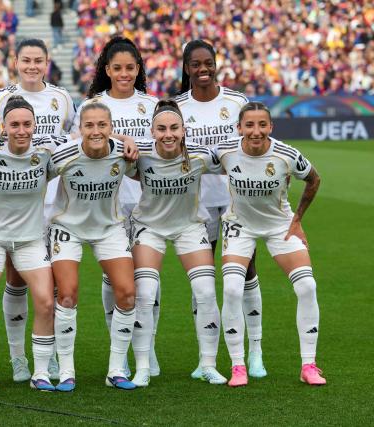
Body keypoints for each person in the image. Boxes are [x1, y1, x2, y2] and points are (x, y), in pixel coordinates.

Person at [0, 38, 75, 382]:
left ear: (47, 62)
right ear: (16, 61)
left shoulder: (61, 99)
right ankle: (12, 360)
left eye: (38, 60)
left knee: (53, 294)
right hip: (1, 217)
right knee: (9, 286)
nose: (32, 65)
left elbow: (81, 139)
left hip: (48, 206)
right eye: (26, 60)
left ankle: (48, 363)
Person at [174, 39, 267, 379]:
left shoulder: (236, 101)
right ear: (187, 69)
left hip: (236, 201)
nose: (203, 69)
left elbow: (254, 147)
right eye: (196, 64)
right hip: (195, 203)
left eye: (208, 62)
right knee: (203, 280)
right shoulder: (178, 106)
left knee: (246, 274)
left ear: (216, 64)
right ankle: (206, 358)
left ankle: (254, 352)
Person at [217, 102, 325, 387]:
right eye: (249, 125)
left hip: (280, 225)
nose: (255, 131)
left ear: (270, 127)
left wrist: (298, 219)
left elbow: (314, 179)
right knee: (231, 289)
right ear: (239, 127)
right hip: (239, 225)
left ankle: (309, 365)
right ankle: (238, 365)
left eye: (262, 125)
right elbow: (190, 163)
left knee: (307, 286)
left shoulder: (286, 154)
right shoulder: (225, 151)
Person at [73, 35, 159, 377]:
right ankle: (119, 352)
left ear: (138, 69)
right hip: (103, 203)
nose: (124, 74)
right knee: (115, 280)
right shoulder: (91, 105)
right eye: (117, 68)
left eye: (130, 68)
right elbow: (74, 149)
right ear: (106, 70)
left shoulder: (152, 105)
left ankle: (147, 349)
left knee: (146, 281)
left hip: (146, 202)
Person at [127, 99, 227, 386]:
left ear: (184, 130)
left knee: (206, 292)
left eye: (173, 128)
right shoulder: (139, 153)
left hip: (189, 227)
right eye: (161, 129)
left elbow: (237, 158)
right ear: (151, 131)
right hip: (149, 227)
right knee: (145, 293)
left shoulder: (200, 155)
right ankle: (143, 366)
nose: (167, 134)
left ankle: (208, 364)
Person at [49, 102, 137, 392]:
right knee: (67, 295)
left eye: (102, 125)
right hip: (67, 228)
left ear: (112, 127)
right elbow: (30, 168)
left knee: (126, 293)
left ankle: (115, 370)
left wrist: (129, 140)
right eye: (89, 125)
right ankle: (66, 371)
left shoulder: (124, 152)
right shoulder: (63, 155)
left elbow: (162, 143)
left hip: (108, 228)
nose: (96, 131)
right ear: (80, 129)